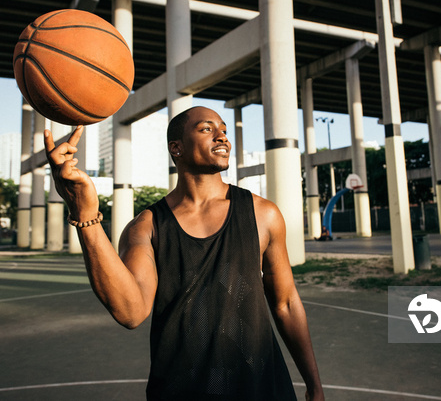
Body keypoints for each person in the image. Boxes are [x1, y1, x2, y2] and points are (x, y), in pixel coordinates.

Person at [45, 106, 324, 401]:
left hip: (263, 388)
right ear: (176, 148)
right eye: (206, 129)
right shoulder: (146, 227)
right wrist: (84, 213)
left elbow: (287, 303)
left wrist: (314, 385)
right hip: (181, 391)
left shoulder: (263, 214)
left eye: (224, 131)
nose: (222, 138)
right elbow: (131, 312)